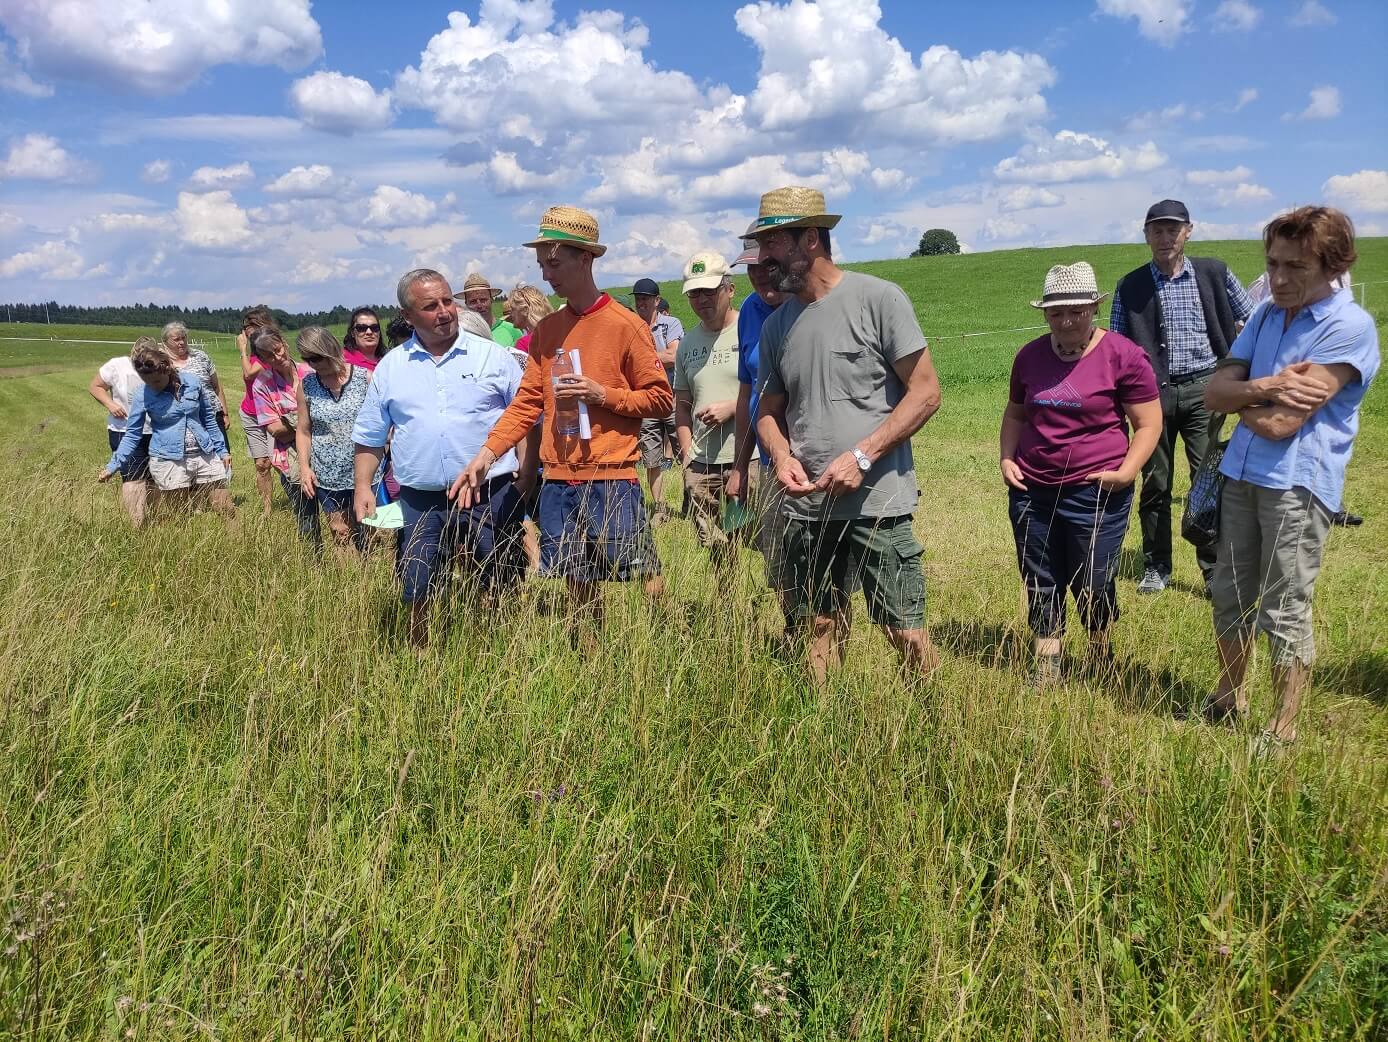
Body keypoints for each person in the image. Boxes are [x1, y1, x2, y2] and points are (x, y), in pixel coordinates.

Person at [1202, 206, 1379, 746]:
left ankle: (1283, 725)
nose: (1277, 278)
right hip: (1242, 473)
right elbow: (1213, 394)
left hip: (1297, 486)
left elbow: (1280, 425)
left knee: (1283, 605)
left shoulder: (1349, 327)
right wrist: (1269, 384)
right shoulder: (1265, 316)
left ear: (1333, 265)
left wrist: (1245, 393)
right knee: (1229, 593)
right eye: (1273, 263)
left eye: (1295, 267)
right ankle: (1231, 694)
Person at [453, 205, 673, 639]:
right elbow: (526, 403)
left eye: (554, 263)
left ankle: (668, 649)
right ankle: (591, 664)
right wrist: (487, 453)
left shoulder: (626, 326)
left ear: (585, 258)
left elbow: (661, 399)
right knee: (577, 584)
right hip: (557, 479)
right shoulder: (548, 331)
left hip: (612, 476)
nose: (547, 274)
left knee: (644, 573)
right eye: (541, 265)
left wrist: (601, 394)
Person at [752, 186, 943, 684]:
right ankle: (825, 730)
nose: (763, 257)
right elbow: (768, 413)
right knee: (817, 622)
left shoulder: (878, 299)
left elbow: (925, 393)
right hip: (806, 504)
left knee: (903, 629)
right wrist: (778, 454)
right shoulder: (777, 327)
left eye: (773, 244)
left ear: (810, 238)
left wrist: (861, 456)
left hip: (877, 501)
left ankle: (931, 723)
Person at [352, 269, 534, 646]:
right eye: (430, 306)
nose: (444, 312)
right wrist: (362, 486)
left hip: (491, 493)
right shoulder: (392, 367)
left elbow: (527, 421)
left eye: (448, 301)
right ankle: (422, 656)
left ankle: (504, 651)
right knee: (418, 582)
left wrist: (526, 479)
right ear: (407, 315)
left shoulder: (494, 358)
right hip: (421, 498)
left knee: (500, 577)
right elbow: (370, 438)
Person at [1001, 262, 1163, 684]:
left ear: (1094, 308)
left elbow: (1148, 424)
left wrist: (1127, 473)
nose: (1067, 320)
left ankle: (1099, 654)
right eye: (1056, 312)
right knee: (1039, 574)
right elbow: (1016, 414)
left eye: (1077, 310)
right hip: (1032, 488)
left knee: (1093, 578)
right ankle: (1048, 664)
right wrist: (1006, 458)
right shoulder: (1030, 357)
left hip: (1096, 490)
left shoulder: (1124, 356)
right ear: (1045, 315)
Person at [1111, 199, 1254, 596]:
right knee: (1155, 482)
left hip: (1205, 389)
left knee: (1206, 480)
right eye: (1156, 230)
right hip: (1150, 396)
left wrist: (1236, 369)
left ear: (1188, 231)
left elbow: (1255, 319)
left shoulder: (1215, 273)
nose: (1164, 237)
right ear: (1145, 235)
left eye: (1172, 229)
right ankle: (1157, 567)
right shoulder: (1130, 286)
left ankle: (1212, 569)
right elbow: (1118, 349)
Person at [97, 339, 235, 520]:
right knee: (181, 516)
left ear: (167, 368)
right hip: (170, 460)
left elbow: (208, 419)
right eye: (146, 381)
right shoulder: (142, 394)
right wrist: (113, 465)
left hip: (204, 454)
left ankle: (238, 541)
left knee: (226, 508)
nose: (152, 386)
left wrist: (222, 450)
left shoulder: (192, 383)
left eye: (156, 380)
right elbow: (132, 435)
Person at [673, 251, 743, 567]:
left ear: (730, 289)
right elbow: (682, 405)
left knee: (759, 541)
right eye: (694, 293)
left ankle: (759, 604)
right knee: (717, 546)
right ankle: (728, 607)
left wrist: (733, 407)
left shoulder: (751, 331)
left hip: (748, 458)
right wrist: (687, 454)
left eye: (709, 291)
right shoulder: (687, 343)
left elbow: (773, 393)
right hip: (702, 464)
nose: (701, 299)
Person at [726, 235, 787, 593]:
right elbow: (746, 390)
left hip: (817, 462)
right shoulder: (750, 310)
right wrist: (739, 467)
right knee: (779, 566)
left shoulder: (807, 305)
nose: (760, 275)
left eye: (768, 265)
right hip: (768, 463)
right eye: (752, 267)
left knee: (824, 573)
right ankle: (794, 638)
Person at [294, 326, 371, 555]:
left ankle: (374, 584)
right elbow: (303, 430)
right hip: (328, 475)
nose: (313, 364)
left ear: (331, 349)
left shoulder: (364, 378)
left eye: (316, 357)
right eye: (307, 359)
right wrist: (305, 467)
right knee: (340, 532)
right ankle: (350, 586)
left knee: (372, 533)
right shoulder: (307, 385)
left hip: (367, 472)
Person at [250, 327, 316, 542]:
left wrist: (295, 422)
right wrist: (308, 425)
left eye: (278, 350)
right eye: (268, 355)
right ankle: (314, 564)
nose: (277, 357)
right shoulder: (262, 385)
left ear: (284, 344)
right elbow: (275, 429)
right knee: (307, 518)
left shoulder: (311, 371)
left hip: (326, 454)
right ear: (260, 359)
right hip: (291, 459)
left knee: (339, 513)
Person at [632, 276, 685, 522]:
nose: (641, 303)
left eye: (645, 298)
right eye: (638, 299)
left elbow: (674, 356)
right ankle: (660, 509)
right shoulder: (631, 326)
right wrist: (657, 357)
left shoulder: (670, 323)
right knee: (651, 458)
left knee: (684, 452)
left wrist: (643, 359)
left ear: (656, 300)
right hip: (646, 401)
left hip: (674, 397)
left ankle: (692, 502)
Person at [89, 342, 153, 526]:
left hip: (153, 430)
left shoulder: (157, 366)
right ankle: (138, 524)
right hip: (124, 430)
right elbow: (95, 386)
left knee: (153, 478)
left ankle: (155, 520)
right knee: (133, 477)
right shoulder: (117, 365)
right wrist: (110, 404)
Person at [235, 305, 278, 515]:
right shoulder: (254, 352)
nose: (246, 330)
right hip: (250, 412)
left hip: (271, 414)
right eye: (245, 326)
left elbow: (249, 373)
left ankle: (300, 501)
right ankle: (267, 509)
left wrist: (242, 350)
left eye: (250, 326)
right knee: (261, 464)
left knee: (279, 462)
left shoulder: (270, 352)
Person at [459, 273, 523, 348]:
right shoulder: (461, 335)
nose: (479, 305)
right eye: (473, 301)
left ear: (491, 300)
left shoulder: (512, 331)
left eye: (483, 300)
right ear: (466, 304)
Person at [507, 283, 555, 363]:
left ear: (525, 310)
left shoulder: (524, 343)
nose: (511, 314)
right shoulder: (558, 333)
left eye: (513, 309)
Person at [342, 307, 389, 371]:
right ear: (352, 333)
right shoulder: (342, 359)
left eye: (374, 327)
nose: (369, 332)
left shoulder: (389, 358)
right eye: (361, 328)